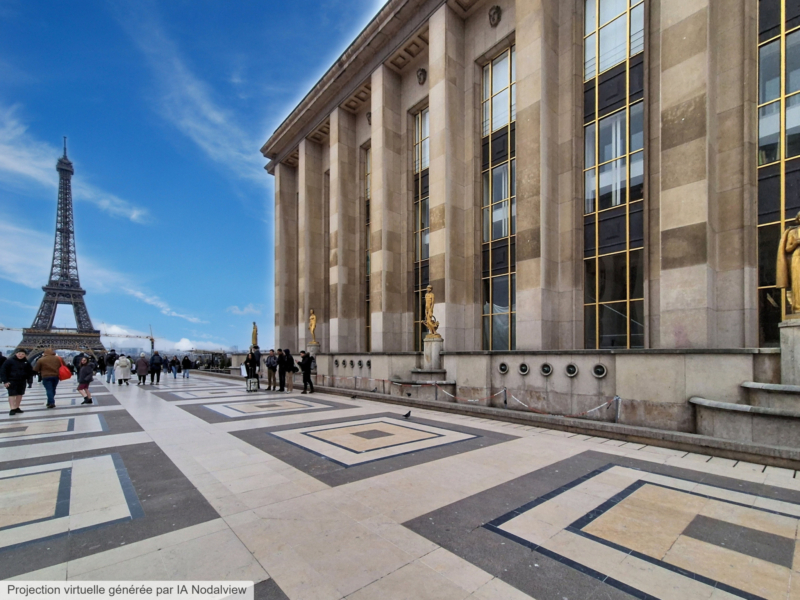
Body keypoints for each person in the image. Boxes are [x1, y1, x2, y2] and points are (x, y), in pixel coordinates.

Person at [0, 348, 33, 416]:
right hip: (11, 380)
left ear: (25, 355)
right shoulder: (9, 361)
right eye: (19, 354)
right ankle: (12, 408)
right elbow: (3, 371)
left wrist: (30, 381)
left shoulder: (26, 362)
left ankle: (17, 407)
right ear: (16, 354)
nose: (20, 355)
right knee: (12, 394)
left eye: (22, 354)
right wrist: (5, 381)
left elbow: (29, 372)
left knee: (19, 394)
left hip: (22, 381)